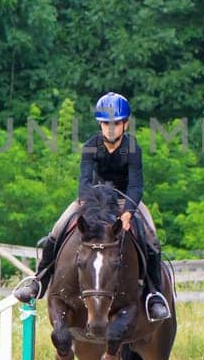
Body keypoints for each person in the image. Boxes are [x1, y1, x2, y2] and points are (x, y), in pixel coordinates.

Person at [12, 92, 172, 322]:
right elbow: (84, 181)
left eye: (115, 123)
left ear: (125, 124)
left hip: (124, 199)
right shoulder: (90, 146)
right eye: (106, 123)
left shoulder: (133, 148)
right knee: (57, 230)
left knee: (151, 238)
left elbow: (136, 185)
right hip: (93, 199)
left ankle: (154, 295)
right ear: (100, 123)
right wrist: (88, 206)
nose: (110, 128)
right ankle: (39, 281)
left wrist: (128, 213)